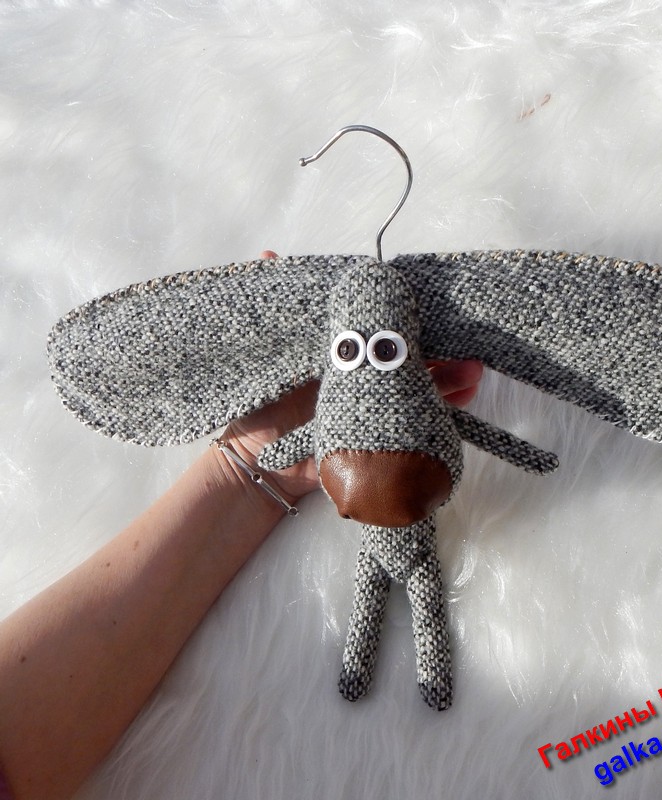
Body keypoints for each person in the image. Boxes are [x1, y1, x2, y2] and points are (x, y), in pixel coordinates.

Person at [0, 251, 484, 800]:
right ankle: (369, 672)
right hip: (379, 535)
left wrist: (250, 466)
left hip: (395, 530)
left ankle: (407, 676)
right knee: (378, 599)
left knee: (409, 599)